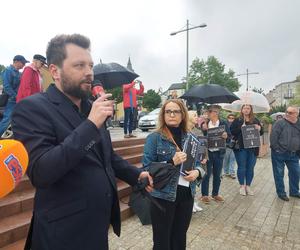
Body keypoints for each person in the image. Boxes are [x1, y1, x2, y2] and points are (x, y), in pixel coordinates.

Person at [11, 34, 152, 250]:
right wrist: (90, 125)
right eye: (79, 65)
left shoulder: (90, 106)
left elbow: (106, 155)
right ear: (55, 71)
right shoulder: (32, 108)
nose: (89, 72)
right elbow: (41, 172)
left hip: (97, 225)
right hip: (62, 234)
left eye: (90, 65)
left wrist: (135, 174)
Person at [143, 99, 202, 250]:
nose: (171, 114)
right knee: (162, 242)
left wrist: (197, 172)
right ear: (163, 115)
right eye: (168, 111)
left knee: (179, 240)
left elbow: (201, 164)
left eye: (176, 111)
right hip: (163, 197)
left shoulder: (192, 137)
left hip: (187, 196)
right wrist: (171, 161)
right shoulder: (154, 138)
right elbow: (147, 168)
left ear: (183, 115)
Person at [230, 104, 263, 196]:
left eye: (248, 108)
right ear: (242, 110)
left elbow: (261, 132)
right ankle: (242, 186)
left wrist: (260, 128)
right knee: (242, 167)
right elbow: (232, 131)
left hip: (253, 148)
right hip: (241, 148)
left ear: (251, 110)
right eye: (244, 108)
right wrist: (240, 128)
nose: (246, 110)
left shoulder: (255, 120)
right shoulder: (238, 120)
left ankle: (248, 186)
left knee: (250, 167)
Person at [270, 106, 300, 201]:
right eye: (287, 112)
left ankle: (294, 192)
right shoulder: (280, 122)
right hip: (279, 153)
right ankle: (281, 193)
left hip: (294, 154)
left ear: (296, 114)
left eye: (291, 112)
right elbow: (273, 137)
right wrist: (276, 149)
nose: (287, 114)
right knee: (279, 173)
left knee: (296, 172)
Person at [200, 105, 229, 204]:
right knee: (206, 174)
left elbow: (229, 136)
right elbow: (201, 139)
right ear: (209, 113)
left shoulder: (223, 122)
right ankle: (204, 195)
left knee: (217, 174)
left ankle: (215, 194)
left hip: (219, 152)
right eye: (214, 111)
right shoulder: (205, 123)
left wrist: (226, 136)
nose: (216, 113)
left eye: (217, 111)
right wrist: (204, 130)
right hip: (208, 153)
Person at [0, 55, 28, 136]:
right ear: (16, 61)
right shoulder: (8, 71)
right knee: (7, 120)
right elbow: (6, 86)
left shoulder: (18, 73)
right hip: (11, 100)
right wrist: (16, 96)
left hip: (16, 99)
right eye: (23, 63)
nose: (24, 65)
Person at [187, 110, 208, 212]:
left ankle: (194, 202)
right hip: (188, 160)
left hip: (198, 160)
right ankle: (190, 203)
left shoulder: (198, 131)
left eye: (197, 115)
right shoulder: (184, 131)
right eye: (194, 115)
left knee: (195, 182)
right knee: (190, 182)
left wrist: (205, 157)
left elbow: (203, 144)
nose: (197, 117)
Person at [223, 113, 237, 179]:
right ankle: (226, 172)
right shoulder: (225, 125)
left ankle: (232, 173)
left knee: (233, 159)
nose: (231, 119)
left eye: (232, 118)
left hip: (234, 145)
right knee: (226, 159)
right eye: (230, 118)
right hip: (227, 145)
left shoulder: (237, 125)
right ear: (227, 118)